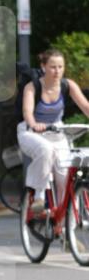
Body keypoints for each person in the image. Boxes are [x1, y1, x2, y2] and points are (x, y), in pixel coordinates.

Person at [17, 48, 89, 212]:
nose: (57, 71)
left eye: (60, 67)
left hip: (57, 133)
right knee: (45, 150)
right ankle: (39, 196)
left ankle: (66, 224)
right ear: (43, 67)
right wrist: (35, 124)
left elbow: (85, 106)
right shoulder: (33, 86)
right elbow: (27, 112)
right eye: (53, 67)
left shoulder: (67, 85)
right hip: (30, 132)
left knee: (65, 175)